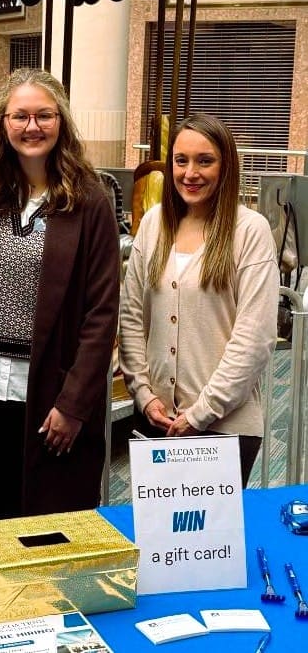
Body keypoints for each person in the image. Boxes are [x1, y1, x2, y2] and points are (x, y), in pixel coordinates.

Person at [0, 67, 120, 520]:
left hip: (55, 394)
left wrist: (75, 404)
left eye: (44, 115)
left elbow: (101, 313)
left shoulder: (90, 201)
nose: (32, 127)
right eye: (20, 116)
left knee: (54, 523)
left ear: (61, 121)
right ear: (3, 123)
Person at [119, 112, 279, 486]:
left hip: (224, 428)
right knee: (157, 543)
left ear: (226, 166)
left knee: (209, 545)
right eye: (181, 160)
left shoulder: (249, 231)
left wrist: (201, 413)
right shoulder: (154, 224)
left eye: (204, 161)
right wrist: (143, 393)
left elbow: (254, 339)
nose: (190, 173)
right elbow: (130, 318)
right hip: (156, 422)